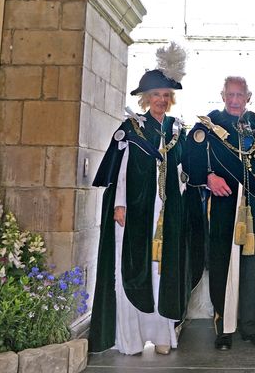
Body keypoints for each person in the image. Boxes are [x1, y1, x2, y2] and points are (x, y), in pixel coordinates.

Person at [89, 43, 195, 356]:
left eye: (165, 95)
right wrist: (119, 204)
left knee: (163, 273)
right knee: (134, 271)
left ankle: (162, 335)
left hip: (169, 212)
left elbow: (183, 169)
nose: (161, 100)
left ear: (170, 98)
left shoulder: (177, 130)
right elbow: (120, 170)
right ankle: (132, 338)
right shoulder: (131, 128)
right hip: (136, 211)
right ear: (145, 98)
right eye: (155, 95)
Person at [183, 76, 255, 350]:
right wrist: (208, 177)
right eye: (229, 94)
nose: (234, 100)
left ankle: (251, 327)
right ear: (222, 95)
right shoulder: (208, 125)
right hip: (223, 206)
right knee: (223, 266)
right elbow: (189, 159)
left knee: (253, 267)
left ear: (248, 97)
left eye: (239, 95)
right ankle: (225, 328)